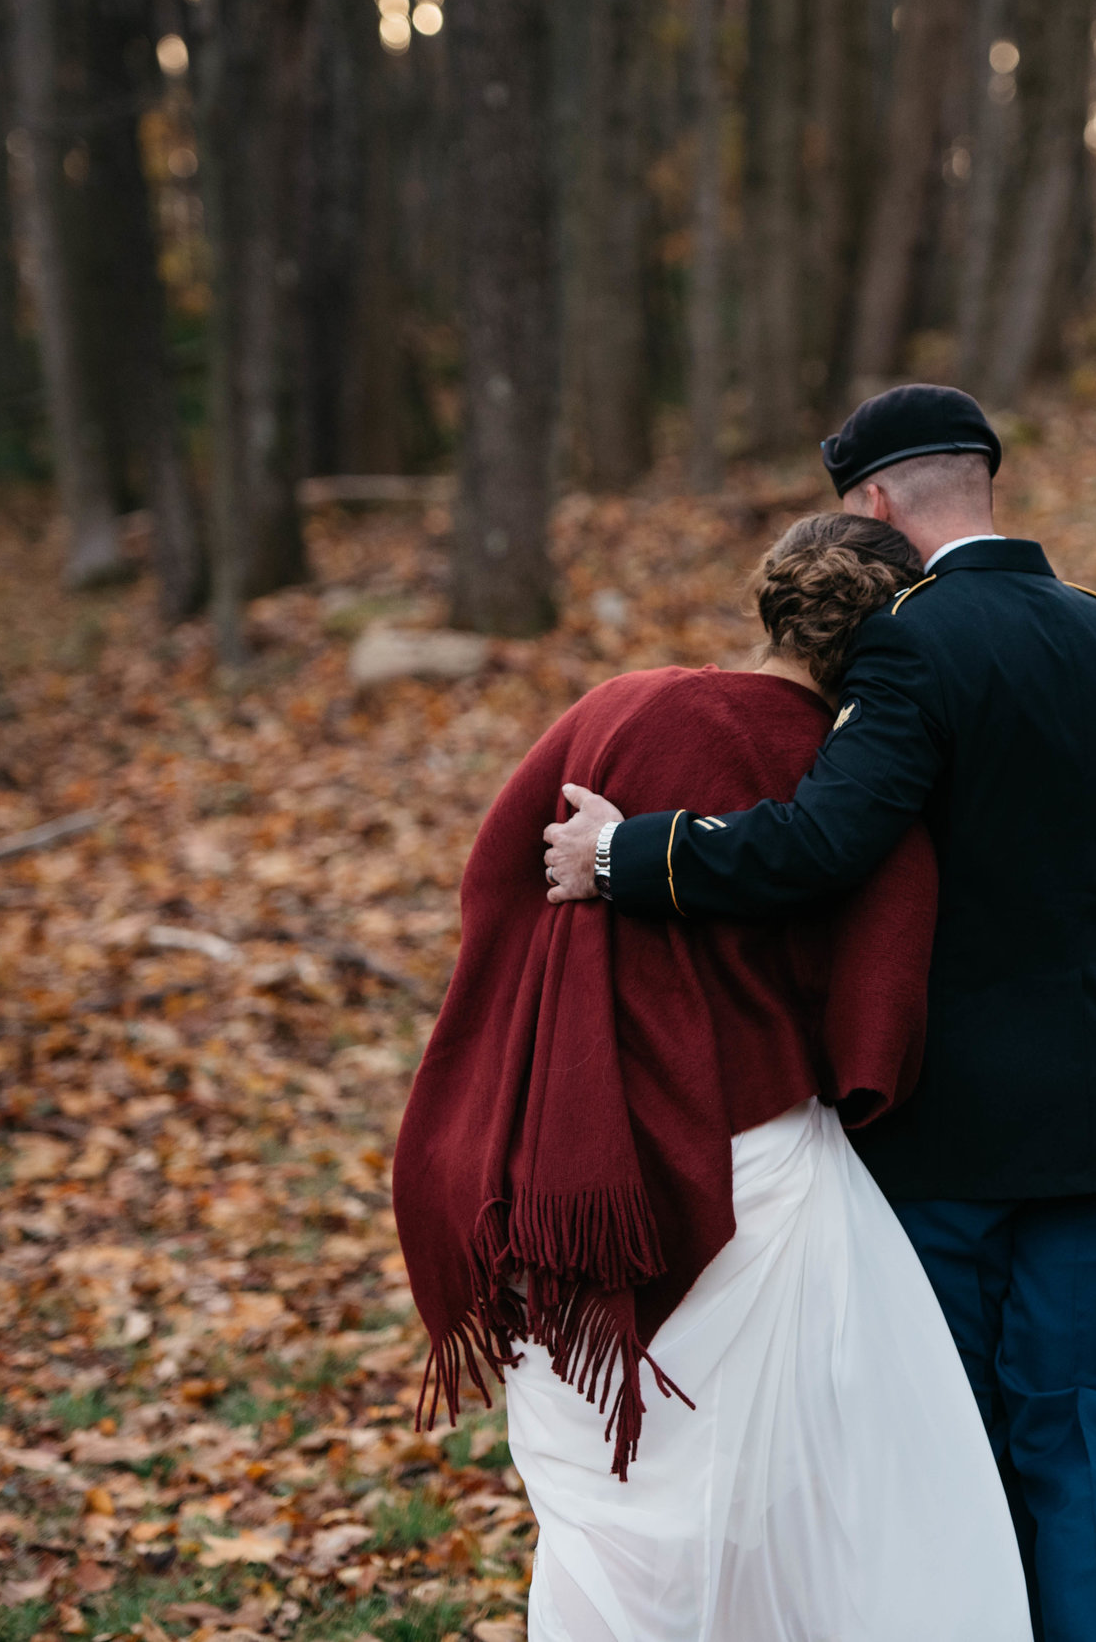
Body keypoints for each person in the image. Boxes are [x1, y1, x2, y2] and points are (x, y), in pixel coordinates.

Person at [545, 384, 1096, 1642]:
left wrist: (634, 856)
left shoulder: (908, 643)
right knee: (1086, 1423)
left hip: (943, 1124)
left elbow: (826, 841)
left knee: (942, 1435)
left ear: (875, 502)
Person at [394, 513, 1034, 1642]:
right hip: (763, 1168)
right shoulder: (851, 776)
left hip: (568, 1170)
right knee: (807, 1492)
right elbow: (881, 1004)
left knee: (607, 1502)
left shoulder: (618, 708)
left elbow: (495, 876)